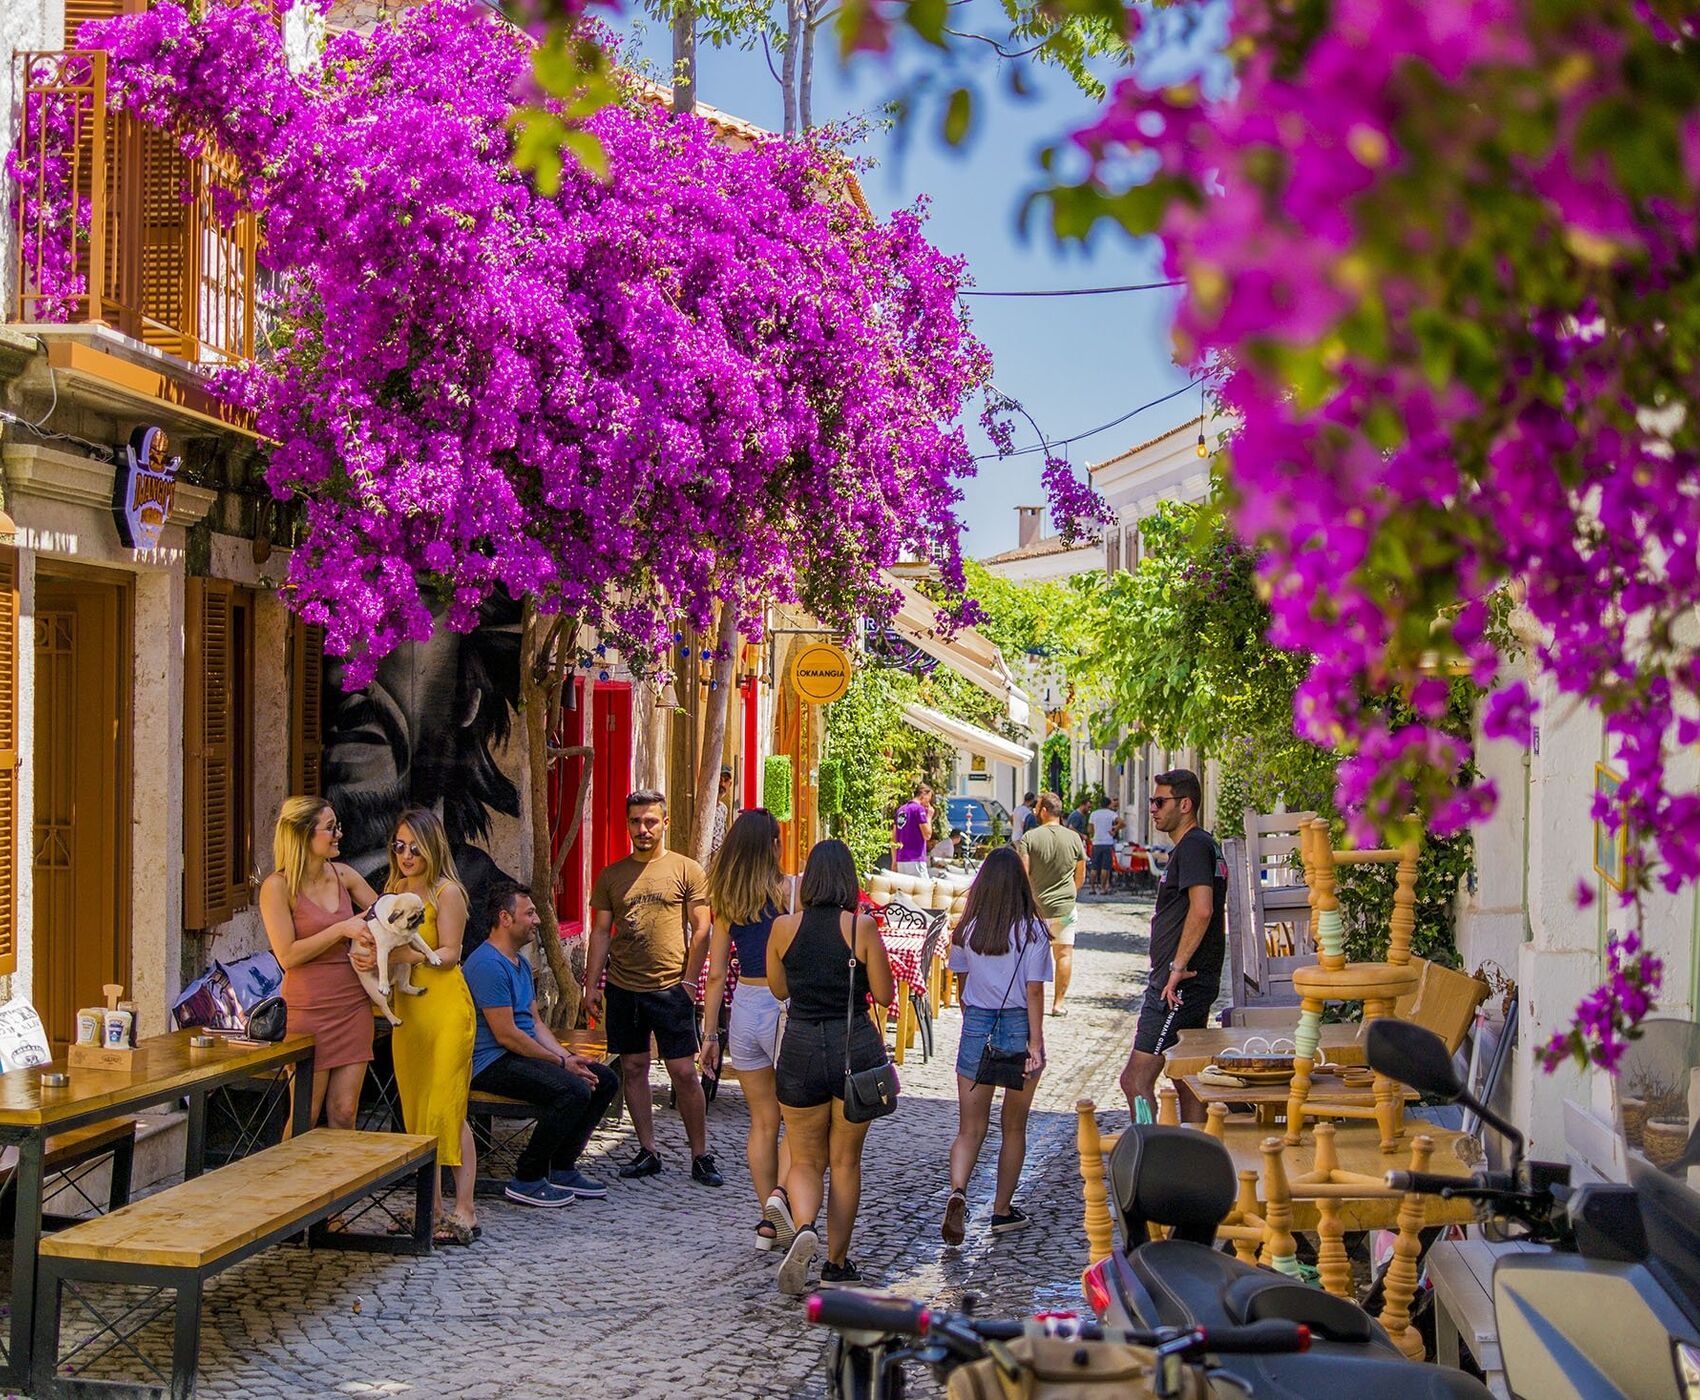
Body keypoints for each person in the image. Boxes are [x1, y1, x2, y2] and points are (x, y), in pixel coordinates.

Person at [767, 840, 896, 1294]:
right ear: (848, 880)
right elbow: (883, 995)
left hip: (800, 1047)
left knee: (804, 1158)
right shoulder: (861, 926)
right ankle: (837, 1264)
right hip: (852, 1049)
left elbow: (780, 991)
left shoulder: (783, 927)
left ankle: (804, 1225)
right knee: (844, 1162)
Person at [585, 790, 721, 1186]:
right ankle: (648, 1150)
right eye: (635, 822)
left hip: (670, 987)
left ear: (665, 823)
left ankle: (701, 1155)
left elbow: (702, 928)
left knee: (683, 1071)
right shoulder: (612, 874)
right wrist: (593, 983)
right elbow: (601, 931)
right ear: (626, 824)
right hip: (624, 986)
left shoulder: (687, 869)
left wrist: (691, 980)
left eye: (650, 822)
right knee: (633, 1067)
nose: (642, 829)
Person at [465, 881, 619, 1206]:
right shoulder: (487, 965)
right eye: (530, 913)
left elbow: (535, 1023)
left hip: (518, 1053)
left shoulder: (518, 962)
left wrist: (568, 1058)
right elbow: (506, 1034)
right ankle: (528, 1177)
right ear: (505, 918)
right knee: (572, 1090)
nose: (537, 920)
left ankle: (561, 1167)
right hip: (490, 1063)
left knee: (603, 1079)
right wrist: (561, 1065)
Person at [942, 847, 1052, 1243]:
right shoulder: (1034, 931)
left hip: (978, 1024)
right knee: (1013, 1126)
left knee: (970, 1128)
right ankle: (1002, 1210)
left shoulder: (967, 929)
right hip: (1020, 1025)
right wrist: (1035, 1044)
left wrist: (974, 1014)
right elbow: (1035, 990)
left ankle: (957, 1191)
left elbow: (960, 984)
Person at [700, 810, 797, 1250]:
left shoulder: (727, 899)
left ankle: (767, 1220)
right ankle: (783, 1198)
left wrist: (709, 1036)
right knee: (798, 1121)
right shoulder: (790, 891)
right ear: (773, 845)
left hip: (744, 1010)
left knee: (762, 1122)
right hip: (785, 1008)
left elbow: (716, 974)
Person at [384, 808, 479, 1245]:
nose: (405, 854)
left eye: (414, 846)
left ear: (431, 845)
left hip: (444, 1009)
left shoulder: (447, 891)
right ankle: (432, 1207)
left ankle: (465, 1209)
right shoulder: (395, 889)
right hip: (410, 1011)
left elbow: (450, 953)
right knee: (418, 1106)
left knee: (448, 1105)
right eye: (399, 846)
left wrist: (404, 957)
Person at [258, 797, 380, 1131]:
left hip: (352, 1004)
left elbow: (387, 915)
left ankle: (343, 1185)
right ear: (302, 834)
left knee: (344, 1111)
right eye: (330, 828)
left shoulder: (344, 875)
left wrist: (375, 939)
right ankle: (291, 1184)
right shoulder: (277, 887)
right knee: (305, 1114)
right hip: (307, 1011)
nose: (339, 833)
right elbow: (288, 955)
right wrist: (341, 928)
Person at [1118, 769, 1228, 1118]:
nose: (1152, 808)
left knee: (1135, 1080)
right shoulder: (1200, 845)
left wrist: (1177, 967)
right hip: (1185, 981)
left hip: (1178, 985)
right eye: (1152, 801)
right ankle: (1195, 1160)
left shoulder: (1194, 845)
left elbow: (1202, 909)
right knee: (1186, 1076)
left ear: (1185, 804)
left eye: (1159, 801)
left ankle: (1149, 1155)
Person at [1016, 792, 1086, 1017]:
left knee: (1032, 956)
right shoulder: (1074, 838)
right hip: (1065, 906)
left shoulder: (1030, 838)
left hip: (1037, 907)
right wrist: (1069, 894)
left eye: (1037, 808)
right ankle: (1059, 1003)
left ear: (1044, 810)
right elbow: (1081, 874)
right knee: (1064, 954)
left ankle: (1030, 1002)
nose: (1035, 812)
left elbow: (1023, 873)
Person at [891, 782, 933, 876]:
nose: (928, 804)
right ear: (923, 794)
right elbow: (927, 835)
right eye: (928, 799)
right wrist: (929, 817)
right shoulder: (918, 809)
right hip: (915, 859)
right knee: (923, 890)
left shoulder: (901, 810)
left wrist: (894, 861)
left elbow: (894, 838)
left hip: (901, 860)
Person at [1087, 798, 1120, 895]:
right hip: (1108, 843)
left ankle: (1092, 888)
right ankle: (1102, 888)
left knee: (1094, 867)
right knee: (1105, 867)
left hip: (1096, 843)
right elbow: (1122, 822)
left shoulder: (1094, 814)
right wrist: (1115, 829)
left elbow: (1089, 829)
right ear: (1109, 805)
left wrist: (1094, 832)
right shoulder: (1111, 814)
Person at [709, 767, 734, 859]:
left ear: (730, 784)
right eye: (719, 780)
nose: (722, 784)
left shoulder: (723, 808)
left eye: (725, 781)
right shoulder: (706, 808)